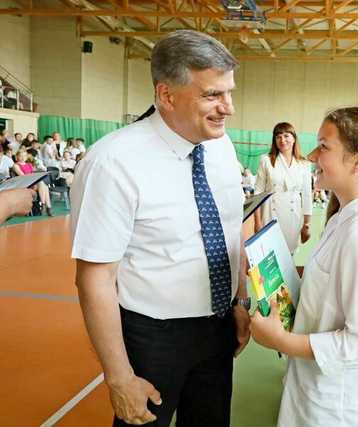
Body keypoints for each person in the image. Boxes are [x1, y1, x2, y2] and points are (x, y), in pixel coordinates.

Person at [70, 30, 250, 427]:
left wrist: (240, 303)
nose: (228, 108)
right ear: (167, 96)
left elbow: (230, 231)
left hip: (217, 326)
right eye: (212, 95)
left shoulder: (221, 146)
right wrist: (118, 377)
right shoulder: (113, 163)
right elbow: (95, 279)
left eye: (229, 92)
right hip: (153, 337)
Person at [250, 107, 358, 427]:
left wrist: (279, 340)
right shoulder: (344, 218)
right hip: (314, 390)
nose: (314, 155)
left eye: (324, 146)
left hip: (337, 407)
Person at [254, 122, 313, 253]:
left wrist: (306, 224)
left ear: (294, 138)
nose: (282, 140)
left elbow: (307, 195)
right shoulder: (266, 160)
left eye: (286, 136)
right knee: (269, 255)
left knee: (288, 255)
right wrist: (257, 222)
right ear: (274, 140)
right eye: (278, 136)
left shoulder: (304, 164)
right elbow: (257, 192)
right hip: (270, 214)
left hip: (294, 216)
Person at [13, 150, 53, 216]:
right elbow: (23, 176)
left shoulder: (29, 164)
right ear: (17, 157)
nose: (23, 158)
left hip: (33, 182)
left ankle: (44, 205)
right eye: (21, 156)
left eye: (24, 156)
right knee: (42, 183)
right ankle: (47, 207)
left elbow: (33, 173)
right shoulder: (16, 165)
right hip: (24, 184)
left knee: (43, 184)